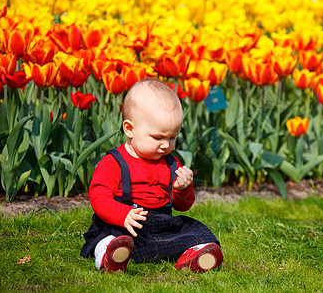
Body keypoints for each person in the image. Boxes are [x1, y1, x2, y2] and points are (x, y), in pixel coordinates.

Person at [80, 77, 223, 273]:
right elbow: (98, 198)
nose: (166, 145)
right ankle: (110, 255)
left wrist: (183, 188)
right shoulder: (114, 162)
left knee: (196, 231)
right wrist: (123, 215)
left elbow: (183, 206)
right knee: (107, 237)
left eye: (172, 137)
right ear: (130, 129)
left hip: (161, 224)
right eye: (158, 137)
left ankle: (195, 253)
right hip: (125, 224)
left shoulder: (171, 163)